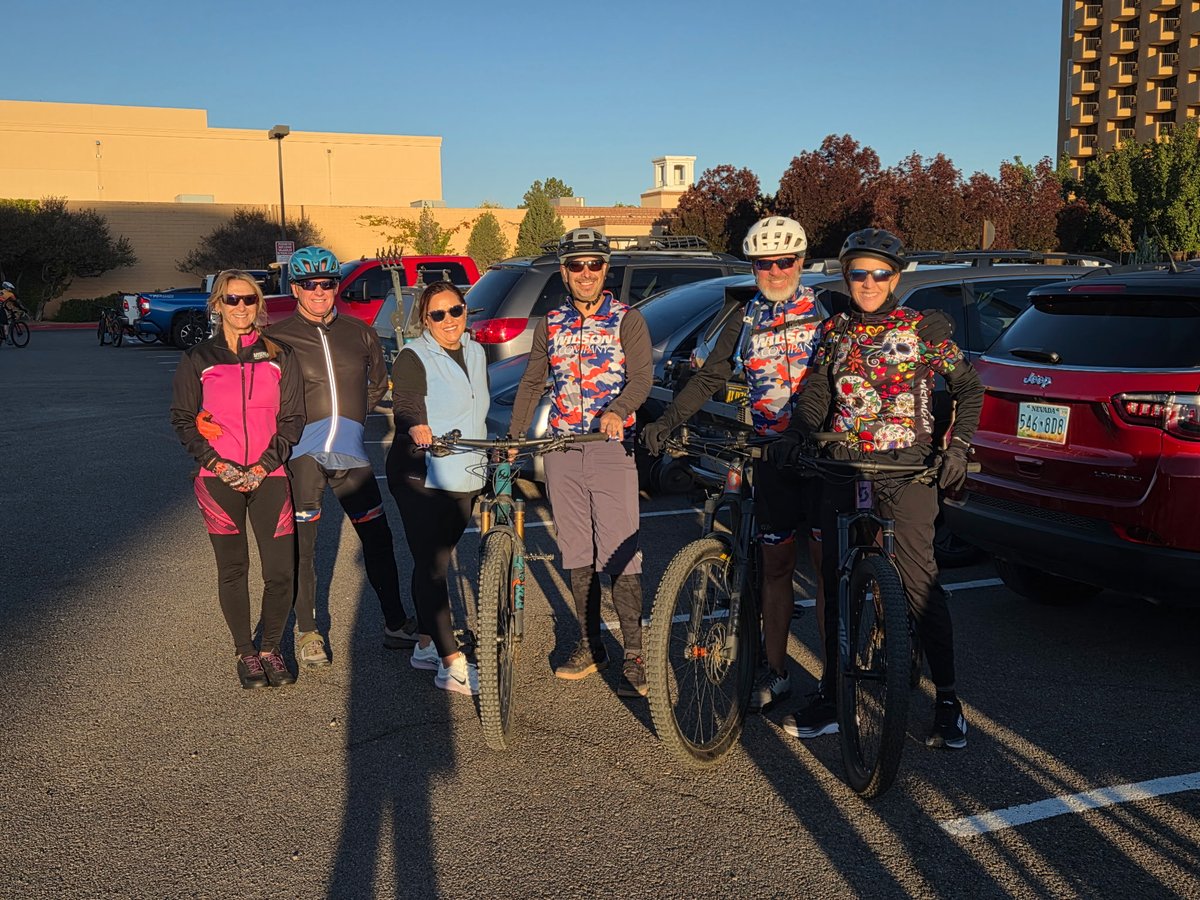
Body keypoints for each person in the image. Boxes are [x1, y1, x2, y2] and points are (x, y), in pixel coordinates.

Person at [770, 227, 981, 749]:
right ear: (846, 276)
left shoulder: (922, 331)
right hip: (843, 466)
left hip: (906, 470)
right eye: (858, 273)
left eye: (880, 273)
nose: (868, 282)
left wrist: (957, 448)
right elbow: (818, 390)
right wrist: (798, 433)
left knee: (918, 582)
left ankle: (949, 700)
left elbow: (969, 387)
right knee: (835, 579)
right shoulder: (836, 331)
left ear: (896, 278)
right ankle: (833, 690)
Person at [641, 215, 827, 713]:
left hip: (823, 456)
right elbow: (710, 378)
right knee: (776, 565)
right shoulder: (745, 319)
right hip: (769, 457)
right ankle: (778, 669)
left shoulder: (829, 314)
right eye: (764, 263)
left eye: (784, 261)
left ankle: (835, 677)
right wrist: (669, 419)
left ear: (800, 262)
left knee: (826, 569)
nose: (774, 271)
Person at [508, 228, 653, 697]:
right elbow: (532, 383)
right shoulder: (550, 324)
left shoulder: (626, 319)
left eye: (594, 264)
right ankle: (592, 644)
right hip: (562, 449)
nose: (586, 273)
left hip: (610, 447)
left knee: (622, 550)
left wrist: (618, 410)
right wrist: (514, 437)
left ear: (605, 269)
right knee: (577, 549)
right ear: (564, 272)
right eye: (576, 265)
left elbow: (643, 377)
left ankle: (634, 652)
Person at [267, 246, 417, 668]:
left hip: (349, 454)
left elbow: (376, 383)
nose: (319, 291)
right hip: (302, 458)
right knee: (306, 548)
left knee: (379, 539)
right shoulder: (278, 339)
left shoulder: (359, 332)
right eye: (309, 284)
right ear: (294, 288)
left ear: (336, 286)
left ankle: (394, 622)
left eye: (327, 283)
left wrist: (351, 418)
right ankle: (308, 631)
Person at [169, 270, 305, 689]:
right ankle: (246, 653)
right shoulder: (199, 359)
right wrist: (220, 464)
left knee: (281, 571)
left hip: (271, 475)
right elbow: (183, 419)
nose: (241, 307)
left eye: (249, 300)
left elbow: (293, 418)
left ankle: (270, 649)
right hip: (217, 478)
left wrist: (263, 465)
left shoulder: (280, 355)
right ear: (217, 304)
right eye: (232, 300)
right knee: (233, 568)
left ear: (259, 305)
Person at [386, 282, 488, 696]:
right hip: (421, 473)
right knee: (431, 566)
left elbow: (479, 403)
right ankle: (452, 665)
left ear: (466, 311)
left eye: (456, 311)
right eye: (438, 315)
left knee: (438, 561)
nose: (449, 321)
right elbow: (407, 402)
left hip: (466, 472)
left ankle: (426, 646)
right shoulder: (414, 355)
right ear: (424, 320)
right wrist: (416, 424)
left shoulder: (477, 351)